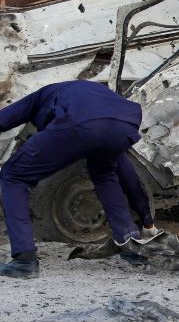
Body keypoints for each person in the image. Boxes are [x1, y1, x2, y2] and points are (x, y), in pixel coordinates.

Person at [0, 80, 158, 278]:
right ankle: (131, 245)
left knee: (13, 176)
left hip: (78, 124)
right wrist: (147, 221)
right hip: (124, 125)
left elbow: (3, 119)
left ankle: (24, 260)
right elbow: (129, 179)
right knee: (104, 175)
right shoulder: (97, 96)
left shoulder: (40, 96)